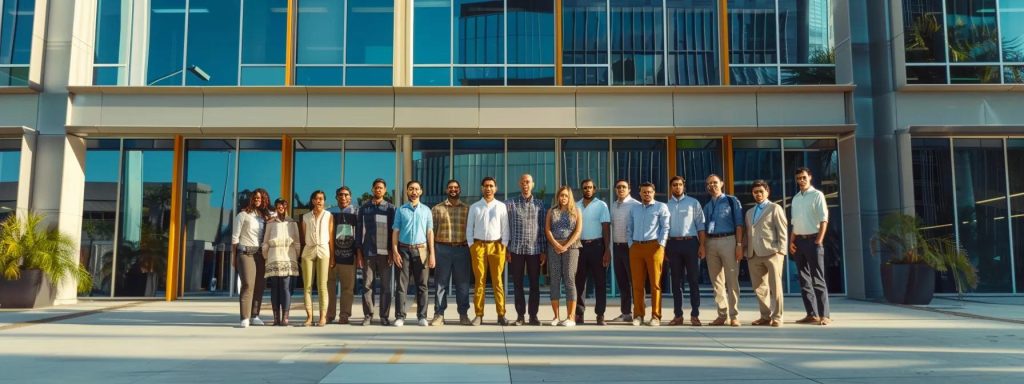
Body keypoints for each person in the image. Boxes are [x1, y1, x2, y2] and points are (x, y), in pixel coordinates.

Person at [789, 167, 832, 326]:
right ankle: (811, 314)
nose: (801, 180)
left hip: (813, 241)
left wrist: (819, 240)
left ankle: (824, 315)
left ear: (810, 177)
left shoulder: (817, 195)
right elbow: (794, 223)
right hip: (799, 241)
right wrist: (791, 242)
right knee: (804, 280)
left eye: (803, 177)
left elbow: (823, 219)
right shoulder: (795, 198)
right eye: (798, 178)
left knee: (818, 279)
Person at [466, 176, 510, 326]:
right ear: (482, 188)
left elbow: (505, 227)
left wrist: (504, 244)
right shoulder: (475, 207)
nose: (488, 188)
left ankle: (501, 314)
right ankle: (478, 314)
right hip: (478, 246)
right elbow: (469, 228)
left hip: (497, 246)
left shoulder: (501, 206)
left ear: (495, 188)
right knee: (480, 282)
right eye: (486, 185)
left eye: (491, 186)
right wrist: (471, 245)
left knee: (498, 281)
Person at [391, 180, 436, 327]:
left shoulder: (426, 210)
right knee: (401, 286)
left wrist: (432, 253)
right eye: (411, 189)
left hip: (422, 250)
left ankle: (422, 316)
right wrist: (395, 251)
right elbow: (395, 231)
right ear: (407, 191)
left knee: (422, 285)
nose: (414, 192)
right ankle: (400, 316)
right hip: (403, 250)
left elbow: (430, 232)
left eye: (416, 189)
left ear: (421, 191)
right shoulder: (401, 210)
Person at [702, 174, 744, 327]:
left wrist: (739, 244)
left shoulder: (732, 201)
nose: (712, 186)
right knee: (717, 282)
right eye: (709, 184)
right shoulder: (707, 206)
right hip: (711, 243)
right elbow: (704, 229)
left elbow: (739, 224)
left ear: (722, 183)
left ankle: (734, 315)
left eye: (714, 182)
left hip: (729, 241)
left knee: (732, 280)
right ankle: (722, 314)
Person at [626, 182, 670, 326]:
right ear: (639, 193)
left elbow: (665, 227)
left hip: (654, 247)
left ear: (654, 192)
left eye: (649, 192)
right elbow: (629, 227)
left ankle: (656, 316)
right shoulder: (634, 209)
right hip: (636, 247)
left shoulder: (661, 207)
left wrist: (661, 244)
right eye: (644, 192)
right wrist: (631, 244)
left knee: (655, 284)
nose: (647, 194)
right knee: (637, 284)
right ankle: (638, 315)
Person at [745, 180, 788, 327]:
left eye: (761, 192)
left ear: (767, 192)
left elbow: (782, 230)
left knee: (775, 287)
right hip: (753, 254)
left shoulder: (775, 208)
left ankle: (777, 317)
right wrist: (746, 251)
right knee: (759, 287)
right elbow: (748, 234)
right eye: (755, 192)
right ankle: (765, 316)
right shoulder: (749, 212)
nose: (758, 194)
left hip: (772, 252)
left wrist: (782, 251)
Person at [430, 179, 473, 326]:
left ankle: (463, 314)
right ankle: (439, 314)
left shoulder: (468, 209)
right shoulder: (436, 209)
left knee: (463, 284)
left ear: (460, 190)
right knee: (440, 284)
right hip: (442, 249)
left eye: (455, 187)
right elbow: (431, 232)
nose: (453, 190)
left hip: (462, 249)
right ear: (446, 190)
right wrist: (432, 252)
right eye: (450, 188)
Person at [506, 173, 546, 326]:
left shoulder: (540, 204)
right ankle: (520, 316)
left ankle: (533, 316)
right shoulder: (510, 203)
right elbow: (506, 228)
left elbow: (542, 228)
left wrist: (543, 251)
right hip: (516, 249)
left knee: (535, 284)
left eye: (528, 182)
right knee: (517, 284)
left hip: (534, 250)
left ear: (532, 184)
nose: (525, 184)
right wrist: (507, 249)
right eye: (523, 182)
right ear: (519, 184)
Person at [666, 176, 706, 327]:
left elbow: (701, 226)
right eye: (674, 185)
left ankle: (695, 315)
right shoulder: (666, 206)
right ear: (671, 187)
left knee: (694, 281)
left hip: (691, 244)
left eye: (679, 185)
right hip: (673, 245)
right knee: (676, 282)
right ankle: (678, 315)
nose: (677, 187)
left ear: (684, 186)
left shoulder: (693, 203)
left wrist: (702, 246)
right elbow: (663, 229)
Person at [357, 178, 396, 326]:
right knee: (367, 285)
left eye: (381, 188)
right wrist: (359, 253)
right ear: (372, 189)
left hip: (386, 253)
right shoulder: (364, 208)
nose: (378, 190)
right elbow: (359, 232)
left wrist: (393, 251)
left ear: (385, 190)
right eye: (376, 187)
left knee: (386, 286)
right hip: (368, 252)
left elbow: (394, 232)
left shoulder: (391, 208)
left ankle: (384, 316)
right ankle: (368, 315)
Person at [545, 185, 583, 327]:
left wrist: (566, 246)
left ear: (570, 197)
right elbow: (548, 230)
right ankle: (556, 316)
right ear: (558, 197)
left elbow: (578, 230)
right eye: (561, 195)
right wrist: (556, 245)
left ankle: (570, 317)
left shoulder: (576, 211)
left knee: (569, 279)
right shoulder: (552, 211)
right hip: (554, 248)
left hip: (572, 248)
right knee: (555, 280)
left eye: (566, 195)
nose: (563, 198)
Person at [574, 179, 610, 325]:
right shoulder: (576, 206)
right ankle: (579, 313)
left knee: (600, 282)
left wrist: (607, 250)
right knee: (580, 282)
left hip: (597, 246)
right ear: (582, 189)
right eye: (585, 188)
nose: (587, 190)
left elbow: (606, 228)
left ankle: (600, 314)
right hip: (580, 247)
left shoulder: (601, 205)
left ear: (594, 189)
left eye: (590, 187)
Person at [232, 188, 270, 328]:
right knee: (248, 284)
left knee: (260, 286)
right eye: (255, 197)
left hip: (260, 254)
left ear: (264, 200)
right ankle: (245, 317)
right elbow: (235, 238)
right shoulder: (243, 215)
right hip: (245, 252)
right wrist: (233, 257)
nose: (257, 199)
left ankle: (255, 315)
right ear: (251, 199)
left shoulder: (264, 217)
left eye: (260, 198)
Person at [262, 198, 300, 326]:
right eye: (278, 206)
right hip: (274, 257)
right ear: (276, 207)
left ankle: (285, 317)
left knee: (285, 287)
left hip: (288, 257)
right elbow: (265, 241)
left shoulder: (292, 222)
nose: (280, 208)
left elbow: (297, 242)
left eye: (283, 206)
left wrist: (295, 256)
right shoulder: (271, 223)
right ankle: (276, 317)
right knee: (275, 288)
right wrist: (266, 254)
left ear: (286, 207)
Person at [300, 190, 334, 327]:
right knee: (307, 285)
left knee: (322, 286)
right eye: (316, 198)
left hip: (324, 249)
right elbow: (304, 235)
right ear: (312, 201)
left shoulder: (329, 215)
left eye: (321, 199)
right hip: (308, 250)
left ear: (324, 201)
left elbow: (331, 237)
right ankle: (309, 317)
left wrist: (333, 256)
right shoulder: (306, 217)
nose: (319, 201)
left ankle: (322, 317)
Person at [609, 179, 640, 323]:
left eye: (624, 187)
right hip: (617, 247)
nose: (621, 189)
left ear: (629, 189)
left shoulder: (636, 205)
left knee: (635, 282)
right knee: (622, 282)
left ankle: (639, 313)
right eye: (618, 187)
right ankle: (626, 313)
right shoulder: (614, 205)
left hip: (631, 248)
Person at [327, 187, 358, 324]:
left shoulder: (356, 212)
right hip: (330, 255)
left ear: (350, 197)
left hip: (349, 255)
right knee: (329, 286)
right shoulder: (328, 213)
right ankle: (329, 314)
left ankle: (344, 315)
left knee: (347, 287)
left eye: (346, 195)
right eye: (340, 195)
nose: (343, 197)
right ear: (336, 197)